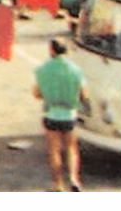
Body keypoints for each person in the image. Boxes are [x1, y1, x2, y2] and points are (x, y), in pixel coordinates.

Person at [33, 38, 88, 192]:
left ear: (52, 50)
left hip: (51, 114)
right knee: (71, 148)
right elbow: (84, 94)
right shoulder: (76, 70)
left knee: (54, 150)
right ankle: (73, 178)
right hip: (70, 114)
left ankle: (58, 184)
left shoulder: (43, 69)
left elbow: (37, 93)